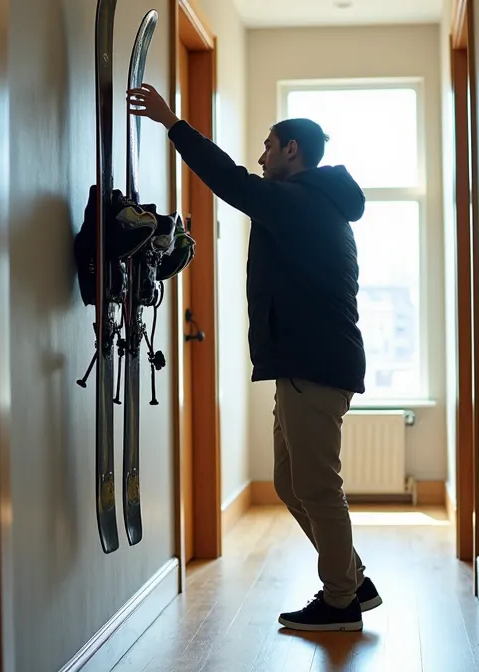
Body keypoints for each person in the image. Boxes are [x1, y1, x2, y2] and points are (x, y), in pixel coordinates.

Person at [127, 83, 381, 632]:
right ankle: (353, 578)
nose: (261, 158)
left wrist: (173, 123)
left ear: (292, 149)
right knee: (291, 484)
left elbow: (230, 180)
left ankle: (342, 601)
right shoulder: (312, 204)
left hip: (315, 367)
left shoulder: (301, 203)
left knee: (318, 487)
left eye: (268, 146)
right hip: (304, 366)